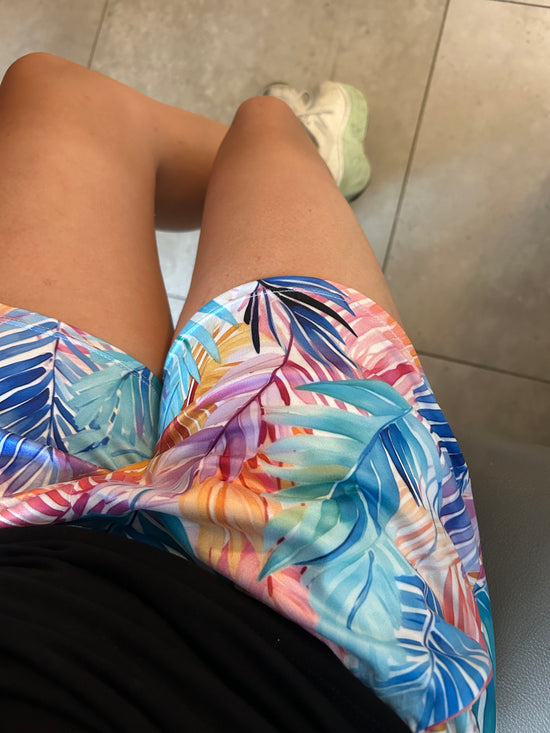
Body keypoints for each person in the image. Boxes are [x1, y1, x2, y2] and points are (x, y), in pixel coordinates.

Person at [0, 53, 495, 733]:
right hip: (311, 638)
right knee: (265, 126)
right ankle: (301, 159)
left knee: (56, 94)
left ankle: (280, 175)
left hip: (24, 544)